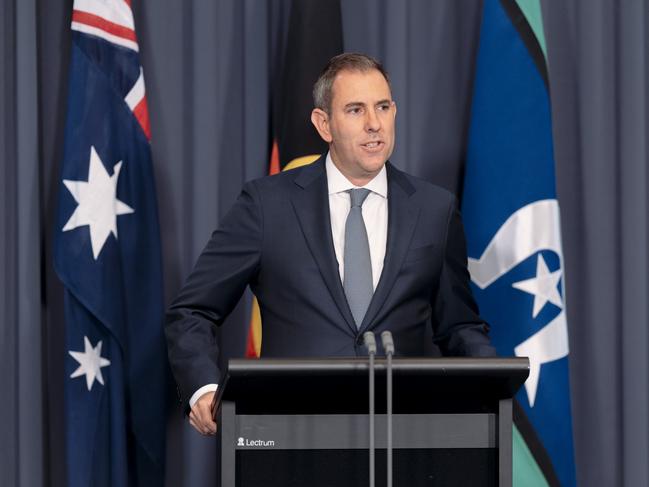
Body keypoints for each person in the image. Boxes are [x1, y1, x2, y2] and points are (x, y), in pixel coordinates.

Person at [165, 53, 496, 436]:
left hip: (399, 439)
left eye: (383, 107)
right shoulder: (267, 205)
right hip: (290, 436)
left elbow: (458, 325)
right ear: (324, 124)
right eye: (356, 110)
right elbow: (191, 311)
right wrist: (204, 389)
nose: (374, 124)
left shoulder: (434, 208)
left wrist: (493, 379)